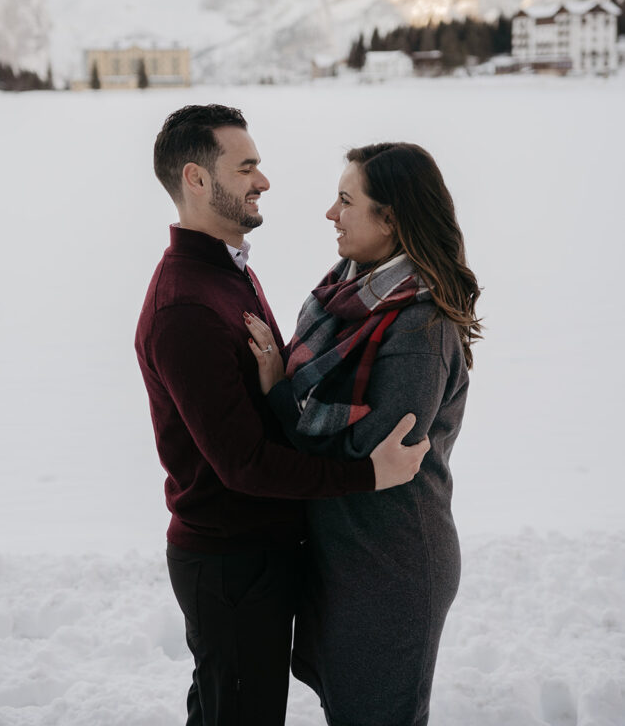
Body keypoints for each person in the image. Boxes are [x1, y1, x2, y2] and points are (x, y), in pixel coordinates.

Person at [135, 106, 430, 726]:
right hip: (230, 559)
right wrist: (365, 476)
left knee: (229, 707)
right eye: (246, 167)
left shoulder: (226, 271)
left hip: (259, 551)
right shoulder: (186, 306)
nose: (263, 180)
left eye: (259, 165)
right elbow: (244, 464)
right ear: (195, 178)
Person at [246, 142, 482, 726]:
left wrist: (279, 390)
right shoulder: (348, 293)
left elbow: (369, 449)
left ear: (391, 219)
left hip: (392, 564)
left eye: (347, 201)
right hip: (344, 554)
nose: (331, 213)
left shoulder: (419, 327)